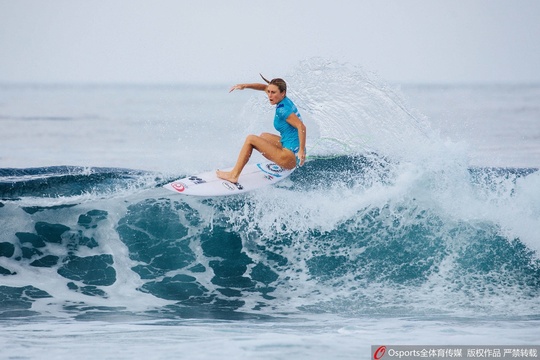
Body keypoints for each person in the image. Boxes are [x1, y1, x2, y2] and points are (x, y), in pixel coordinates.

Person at [216, 74, 306, 183]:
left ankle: (233, 175)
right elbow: (263, 87)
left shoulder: (283, 110)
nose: (269, 95)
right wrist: (244, 86)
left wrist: (301, 151)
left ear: (283, 93)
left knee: (251, 139)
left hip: (290, 157)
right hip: (291, 148)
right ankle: (279, 155)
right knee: (263, 136)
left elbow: (301, 126)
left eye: (273, 93)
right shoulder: (285, 100)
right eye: (269, 92)